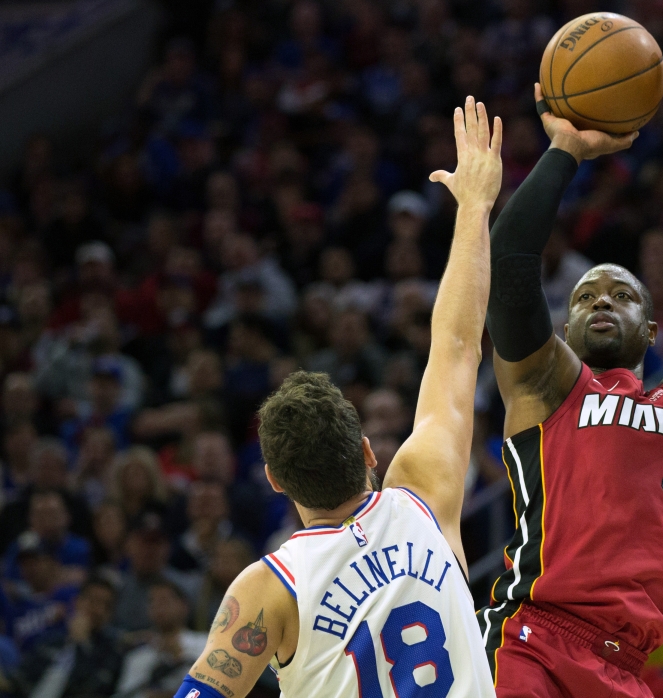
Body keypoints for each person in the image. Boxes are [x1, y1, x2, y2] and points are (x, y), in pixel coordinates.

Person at [480, 30, 663, 697]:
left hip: (626, 668)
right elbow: (507, 267)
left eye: (622, 293)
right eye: (587, 295)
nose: (602, 300)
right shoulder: (546, 383)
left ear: (651, 329)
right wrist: (565, 150)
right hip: (533, 640)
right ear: (566, 325)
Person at [171, 96, 502, 698]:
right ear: (369, 451)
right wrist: (475, 207)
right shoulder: (424, 496)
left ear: (274, 479)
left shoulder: (268, 588)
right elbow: (457, 346)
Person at [12, 576, 125, 698]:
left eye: (107, 606)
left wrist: (82, 644)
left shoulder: (112, 654)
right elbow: (20, 678)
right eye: (94, 601)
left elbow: (91, 689)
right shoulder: (51, 641)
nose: (100, 610)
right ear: (77, 602)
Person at [115, 579, 207, 698]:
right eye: (152, 602)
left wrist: (180, 657)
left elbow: (216, 688)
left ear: (184, 606)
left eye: (164, 601)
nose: (158, 607)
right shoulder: (137, 657)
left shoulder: (205, 645)